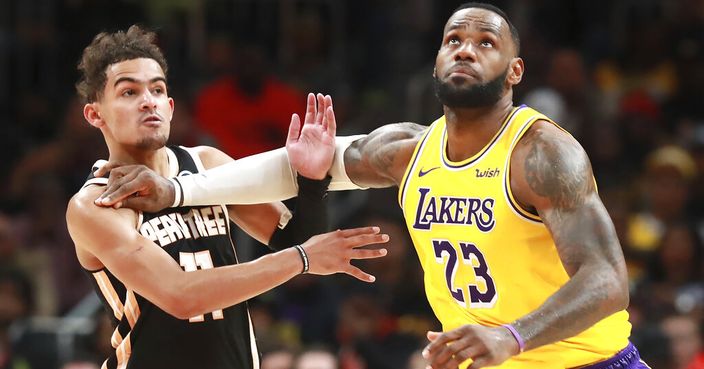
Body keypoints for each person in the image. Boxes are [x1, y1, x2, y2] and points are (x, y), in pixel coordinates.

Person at [94, 4, 647, 368]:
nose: (465, 49)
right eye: (454, 38)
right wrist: (177, 192)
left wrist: (513, 335)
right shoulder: (408, 150)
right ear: (435, 59)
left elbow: (607, 279)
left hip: (583, 361)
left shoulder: (542, 152)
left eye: (485, 43)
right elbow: (297, 165)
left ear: (515, 71)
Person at [64, 25, 389, 369]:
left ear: (171, 107)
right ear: (94, 113)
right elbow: (180, 295)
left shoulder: (206, 163)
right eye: (129, 92)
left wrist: (312, 181)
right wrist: (301, 258)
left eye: (157, 90)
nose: (148, 101)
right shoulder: (94, 205)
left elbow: (295, 241)